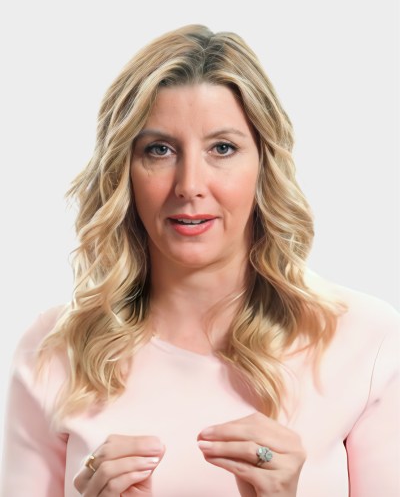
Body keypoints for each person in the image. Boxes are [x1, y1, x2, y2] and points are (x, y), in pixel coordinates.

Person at [1, 24, 399, 497]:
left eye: (222, 148)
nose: (190, 184)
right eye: (160, 150)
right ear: (124, 171)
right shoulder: (53, 351)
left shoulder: (366, 340)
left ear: (263, 164)